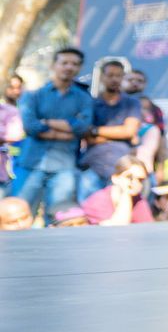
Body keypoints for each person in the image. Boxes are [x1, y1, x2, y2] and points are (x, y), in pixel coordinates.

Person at [11, 46, 92, 223]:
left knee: (59, 221)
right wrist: (68, 130)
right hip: (31, 164)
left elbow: (83, 128)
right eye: (64, 62)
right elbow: (31, 127)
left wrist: (46, 123)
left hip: (64, 167)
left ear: (79, 68)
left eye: (74, 64)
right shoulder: (34, 95)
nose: (69, 67)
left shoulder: (84, 98)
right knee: (18, 216)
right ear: (54, 65)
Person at [78, 59, 143, 201]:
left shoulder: (132, 103)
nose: (114, 79)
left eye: (118, 75)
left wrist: (96, 131)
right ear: (102, 77)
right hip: (93, 165)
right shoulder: (91, 103)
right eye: (110, 75)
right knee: (88, 207)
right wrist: (119, 133)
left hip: (122, 167)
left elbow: (129, 131)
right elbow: (85, 134)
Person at [79, 156, 155, 226]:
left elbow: (147, 228)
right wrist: (126, 195)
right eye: (129, 177)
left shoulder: (138, 200)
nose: (135, 183)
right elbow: (116, 229)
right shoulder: (98, 201)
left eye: (140, 180)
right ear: (115, 178)